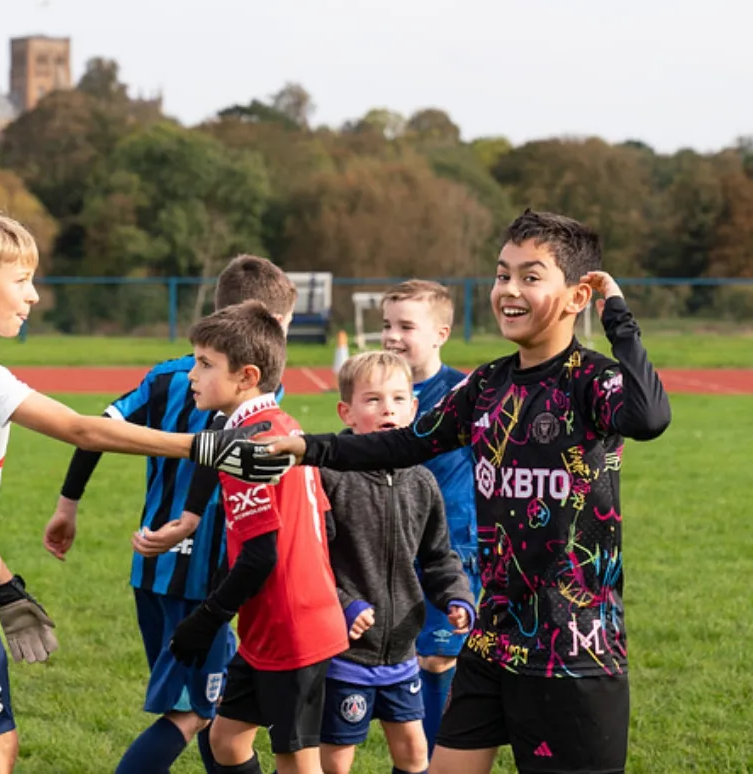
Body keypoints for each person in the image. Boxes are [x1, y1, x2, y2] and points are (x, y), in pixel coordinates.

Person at [0, 194, 286, 774]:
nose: (33, 295)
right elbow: (79, 427)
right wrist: (204, 445)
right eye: (21, 281)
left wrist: (3, 584)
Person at [259, 209, 672, 774]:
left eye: (531, 276)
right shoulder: (485, 386)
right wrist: (307, 448)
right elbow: (402, 445)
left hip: (573, 650)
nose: (509, 290)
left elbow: (649, 416)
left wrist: (617, 315)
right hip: (493, 637)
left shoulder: (591, 380)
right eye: (503, 275)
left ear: (577, 296)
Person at [42, 255, 298, 774]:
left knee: (211, 705)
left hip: (152, 570)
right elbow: (223, 452)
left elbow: (99, 428)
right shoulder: (251, 386)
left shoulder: (165, 376)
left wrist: (68, 504)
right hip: (207, 578)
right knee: (193, 709)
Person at [168, 301, 349, 774]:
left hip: (293, 624)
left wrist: (206, 618)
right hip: (273, 622)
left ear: (246, 376)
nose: (192, 374)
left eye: (205, 364)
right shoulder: (282, 427)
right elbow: (322, 526)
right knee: (227, 740)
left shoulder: (247, 448)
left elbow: (260, 555)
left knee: (296, 758)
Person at [317, 351, 475, 774]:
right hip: (344, 654)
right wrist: (345, 603)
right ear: (346, 412)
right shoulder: (330, 476)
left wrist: (457, 596)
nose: (388, 407)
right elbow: (312, 562)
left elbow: (439, 555)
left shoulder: (422, 482)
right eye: (373, 400)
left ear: (414, 408)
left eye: (399, 398)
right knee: (336, 758)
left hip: (402, 651)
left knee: (413, 752)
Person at [381, 281, 481, 754]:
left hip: (449, 547)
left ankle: (434, 761)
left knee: (437, 658)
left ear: (441, 333)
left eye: (406, 326)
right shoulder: (379, 388)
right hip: (387, 548)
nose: (392, 336)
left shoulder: (464, 391)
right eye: (386, 325)